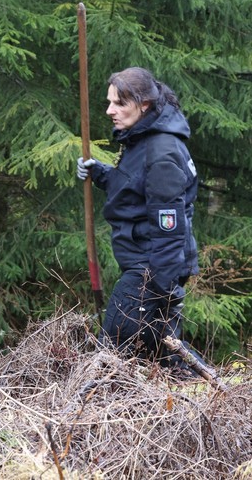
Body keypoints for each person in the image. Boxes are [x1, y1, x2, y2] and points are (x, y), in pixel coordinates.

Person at [77, 67, 202, 375]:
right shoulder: (143, 140)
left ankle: (93, 416)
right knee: (160, 357)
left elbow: (170, 230)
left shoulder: (162, 152)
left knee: (111, 355)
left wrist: (155, 291)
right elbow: (137, 189)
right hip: (151, 264)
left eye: (119, 103)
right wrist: (100, 172)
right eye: (109, 102)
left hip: (152, 268)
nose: (110, 111)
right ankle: (187, 410)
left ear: (144, 104)